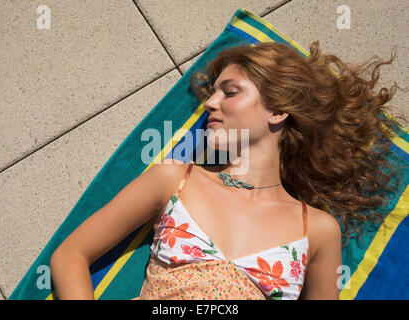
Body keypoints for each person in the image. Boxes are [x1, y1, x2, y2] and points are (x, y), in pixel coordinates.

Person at [50, 41, 407, 300]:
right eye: (213, 92)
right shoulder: (176, 179)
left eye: (230, 92)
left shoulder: (316, 230)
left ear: (278, 111)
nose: (211, 103)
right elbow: (71, 255)